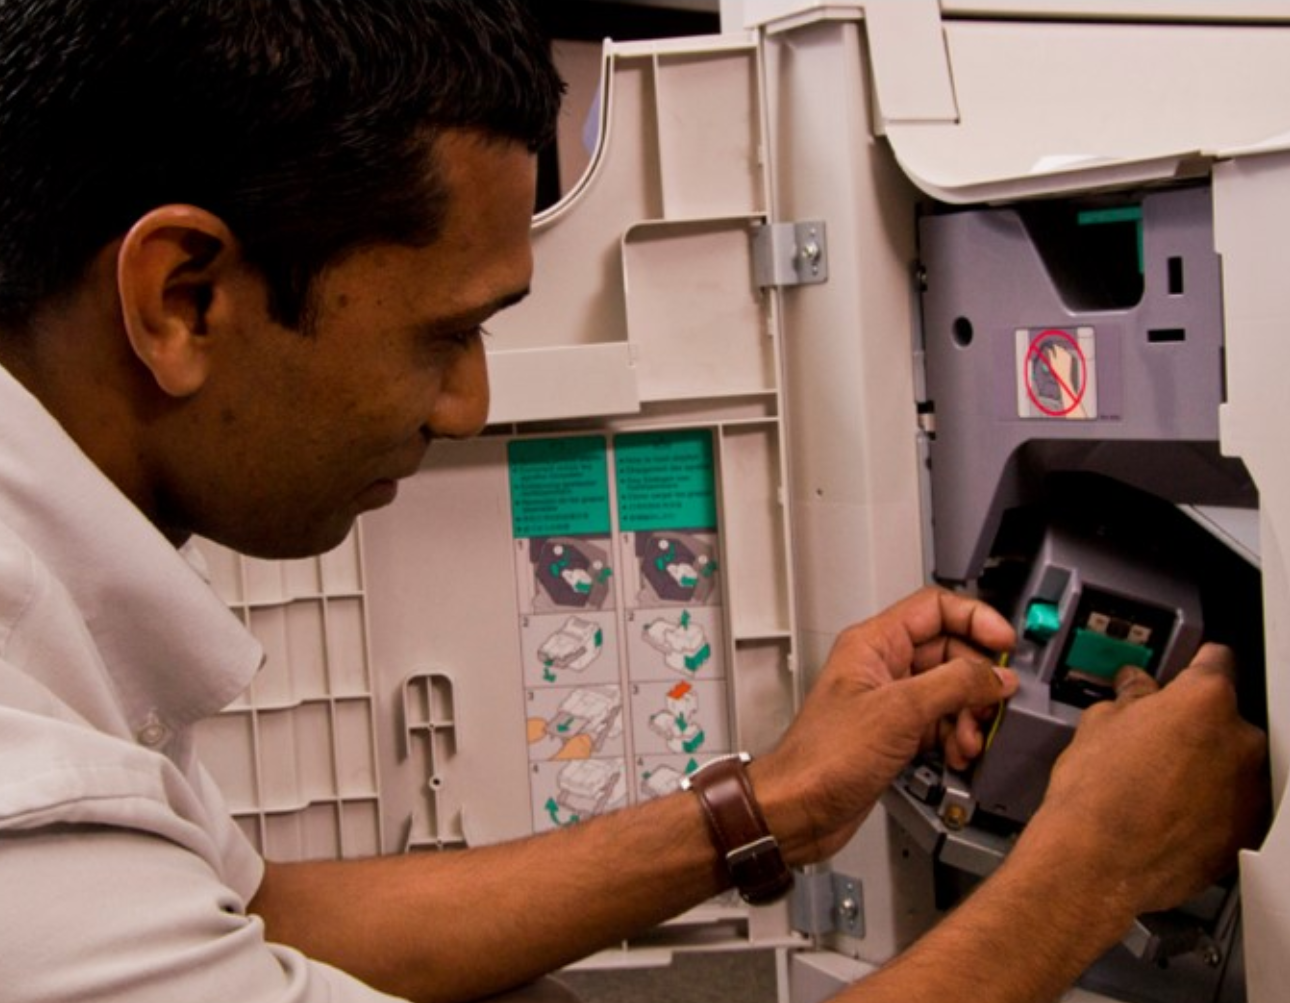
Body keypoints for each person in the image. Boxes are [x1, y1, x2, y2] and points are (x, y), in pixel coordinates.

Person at [0, 2, 1267, 1002]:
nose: (470, 409)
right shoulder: (28, 821)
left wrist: (775, 803)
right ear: (183, 296)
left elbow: (265, 916)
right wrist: (1094, 869)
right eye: (446, 335)